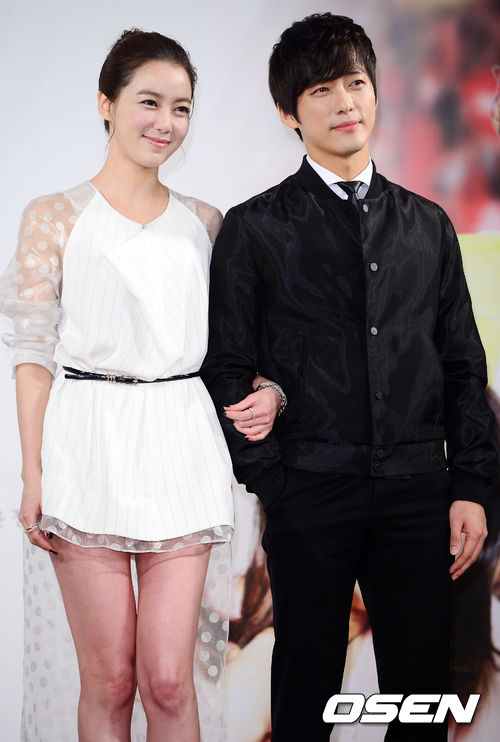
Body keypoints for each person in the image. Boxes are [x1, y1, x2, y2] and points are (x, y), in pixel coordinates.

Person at [201, 13, 499, 742]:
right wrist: (273, 482)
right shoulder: (255, 228)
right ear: (288, 112)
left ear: (376, 91)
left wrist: (469, 485)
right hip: (309, 494)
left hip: (418, 494)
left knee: (420, 698)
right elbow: (227, 367)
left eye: (356, 83)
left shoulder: (428, 225)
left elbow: (463, 365)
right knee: (304, 698)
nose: (345, 103)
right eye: (322, 90)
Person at [0, 29, 282, 742]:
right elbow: (31, 355)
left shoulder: (206, 225)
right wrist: (33, 474)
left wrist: (269, 389)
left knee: (167, 680)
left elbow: (243, 344)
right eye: (149, 102)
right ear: (107, 103)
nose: (166, 122)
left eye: (181, 108)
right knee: (109, 681)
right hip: (85, 447)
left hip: (181, 445)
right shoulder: (53, 216)